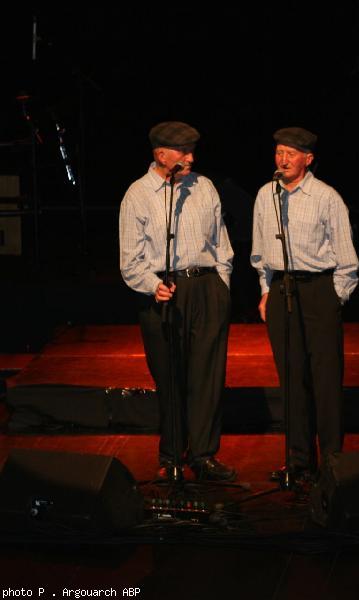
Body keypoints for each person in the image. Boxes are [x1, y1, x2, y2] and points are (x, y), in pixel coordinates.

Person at [119, 121, 236, 481]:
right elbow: (129, 259)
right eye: (183, 152)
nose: (191, 158)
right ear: (161, 155)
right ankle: (171, 456)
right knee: (170, 376)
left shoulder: (204, 186)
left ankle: (203, 454)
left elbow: (220, 241)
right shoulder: (138, 195)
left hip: (206, 287)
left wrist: (221, 284)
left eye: (192, 151)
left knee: (207, 377)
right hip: (163, 291)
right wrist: (152, 285)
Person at [251, 126, 359, 483]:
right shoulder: (266, 195)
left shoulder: (326, 197)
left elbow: (347, 259)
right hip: (281, 290)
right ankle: (298, 461)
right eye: (279, 152)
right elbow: (259, 251)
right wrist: (265, 289)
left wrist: (333, 296)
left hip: (318, 289)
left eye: (291, 154)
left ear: (308, 159)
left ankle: (331, 461)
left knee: (325, 379)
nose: (283, 160)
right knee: (291, 379)